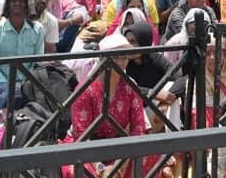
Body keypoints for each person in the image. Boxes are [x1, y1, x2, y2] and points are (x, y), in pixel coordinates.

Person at [60, 33, 160, 178]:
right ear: (102, 59)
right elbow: (82, 134)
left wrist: (119, 165)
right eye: (116, 57)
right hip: (88, 147)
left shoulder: (130, 86)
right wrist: (100, 168)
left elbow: (138, 128)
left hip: (120, 146)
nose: (122, 62)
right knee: (77, 170)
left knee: (148, 156)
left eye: (124, 56)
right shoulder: (86, 90)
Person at [0, 0, 45, 116]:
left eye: (21, 1)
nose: (18, 4)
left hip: (29, 83)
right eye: (13, 1)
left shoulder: (38, 30)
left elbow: (38, 62)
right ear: (7, 5)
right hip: (2, 84)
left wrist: (27, 83)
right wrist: (7, 84)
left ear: (27, 5)